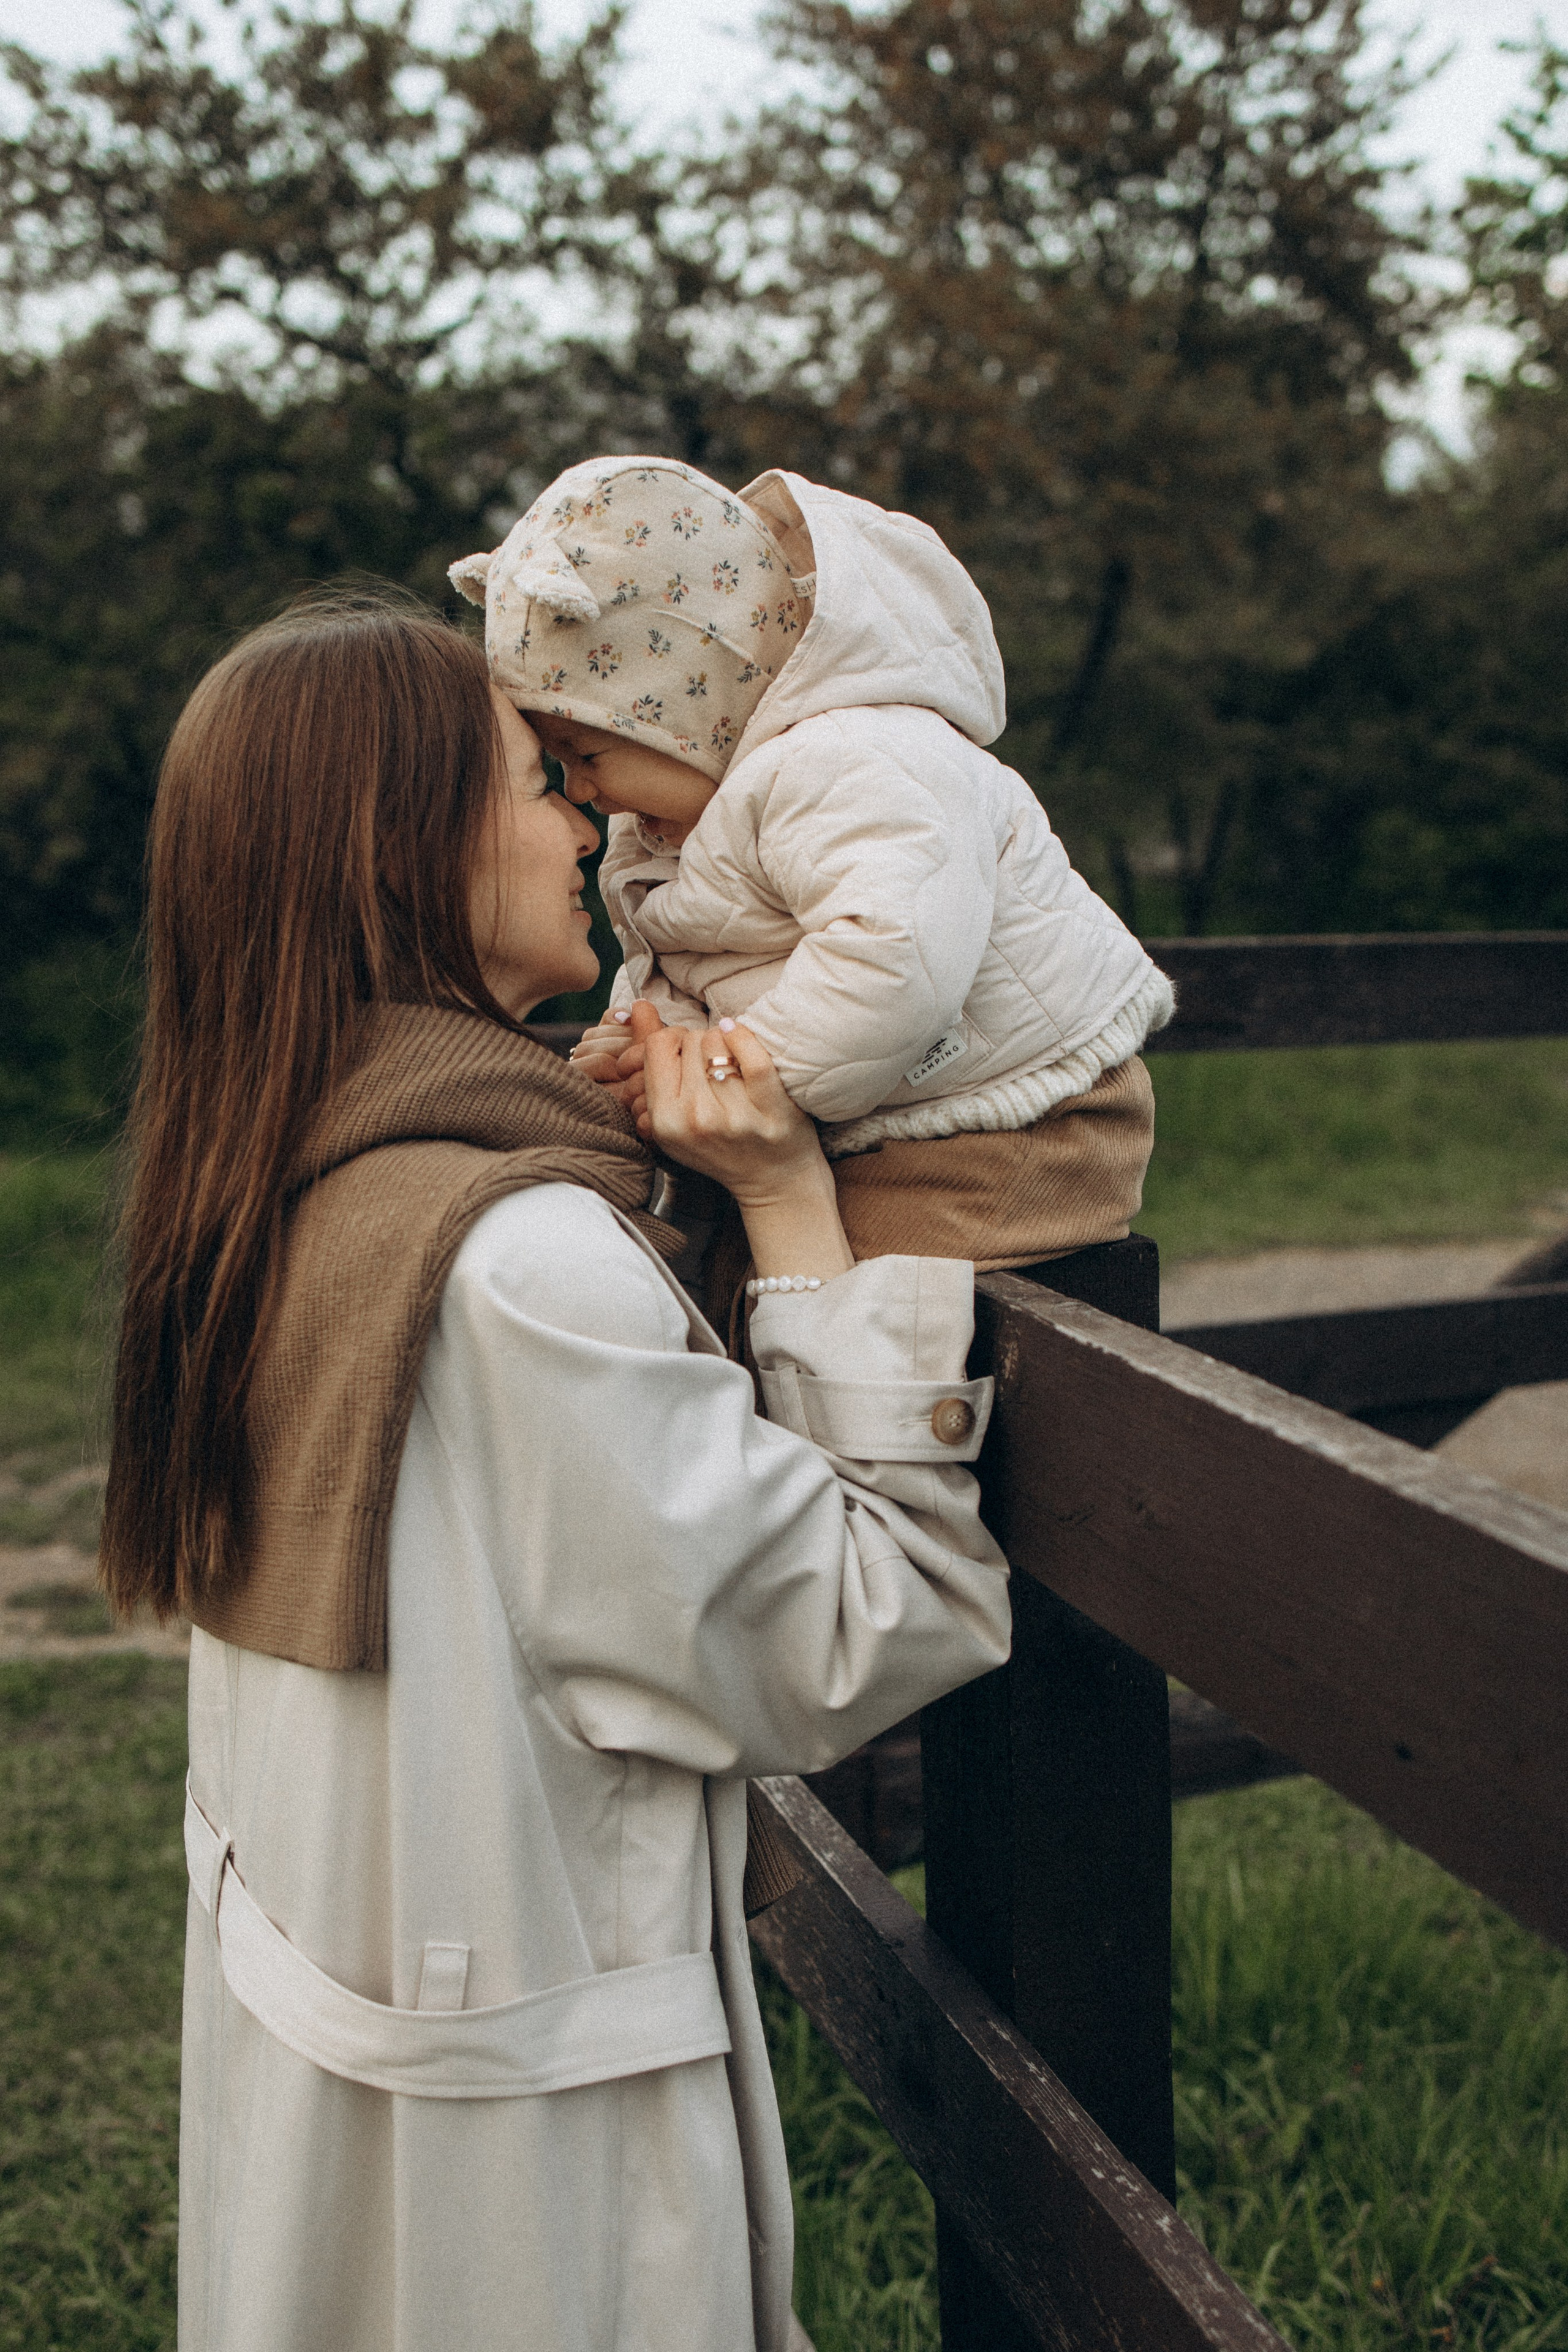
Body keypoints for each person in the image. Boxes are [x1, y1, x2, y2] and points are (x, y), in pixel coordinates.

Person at [100, 589, 1012, 2352]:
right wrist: (797, 1217)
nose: (592, 818)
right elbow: (862, 1627)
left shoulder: (259, 1197)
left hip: (340, 2101)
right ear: (401, 842)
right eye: (536, 777)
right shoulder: (518, 1264)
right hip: (520, 2217)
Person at [450, 457, 1173, 1324]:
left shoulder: (857, 762)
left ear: (683, 709)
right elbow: (692, 967)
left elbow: (892, 955)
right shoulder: (672, 824)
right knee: (741, 1269)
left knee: (864, 1317)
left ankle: (863, 1444)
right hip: (886, 1116)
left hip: (1008, 1126)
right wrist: (643, 1043)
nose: (580, 791)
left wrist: (722, 1076)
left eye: (586, 753)